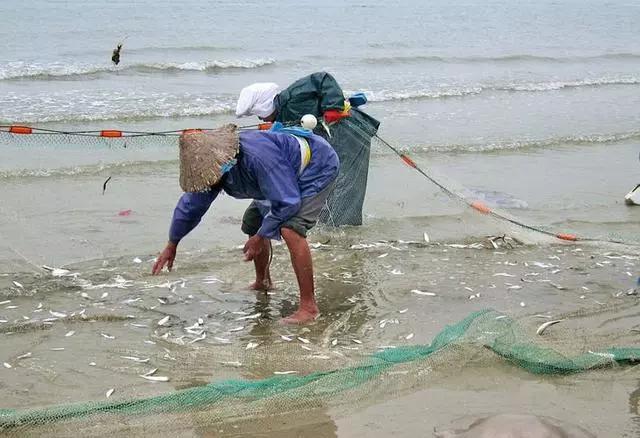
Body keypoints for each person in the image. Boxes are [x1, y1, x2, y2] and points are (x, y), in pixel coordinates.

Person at [151, 124, 339, 324]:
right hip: (279, 177)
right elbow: (190, 207)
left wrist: (262, 236)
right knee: (252, 222)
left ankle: (308, 307)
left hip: (316, 165)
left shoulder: (258, 158)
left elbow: (288, 201)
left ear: (224, 162)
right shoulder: (211, 171)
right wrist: (172, 244)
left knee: (290, 229)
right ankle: (263, 281)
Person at [235, 72, 380, 226]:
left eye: (260, 115)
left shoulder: (292, 96)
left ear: (265, 106)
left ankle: (345, 229)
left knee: (345, 182)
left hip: (349, 134)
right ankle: (331, 225)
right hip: (334, 140)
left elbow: (323, 78)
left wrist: (332, 107)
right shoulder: (283, 116)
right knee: (329, 181)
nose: (261, 119)